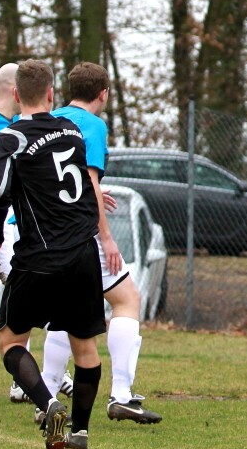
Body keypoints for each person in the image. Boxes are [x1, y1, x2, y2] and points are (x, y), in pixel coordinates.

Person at [0, 59, 104, 449]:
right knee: (85, 348)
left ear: (16, 94)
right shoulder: (71, 130)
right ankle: (80, 432)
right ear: (51, 93)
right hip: (83, 253)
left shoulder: (9, 139)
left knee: (10, 342)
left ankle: (49, 405)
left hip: (39, 258)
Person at [45, 61, 162, 425]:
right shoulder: (93, 125)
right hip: (81, 232)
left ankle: (45, 397)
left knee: (64, 310)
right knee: (127, 299)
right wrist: (107, 238)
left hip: (48, 231)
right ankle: (121, 395)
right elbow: (89, 179)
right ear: (103, 93)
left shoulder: (49, 119)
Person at [0, 63, 70, 402]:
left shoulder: (21, 125)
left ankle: (29, 379)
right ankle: (36, 378)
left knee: (28, 295)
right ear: (13, 89)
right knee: (28, 292)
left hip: (23, 223)